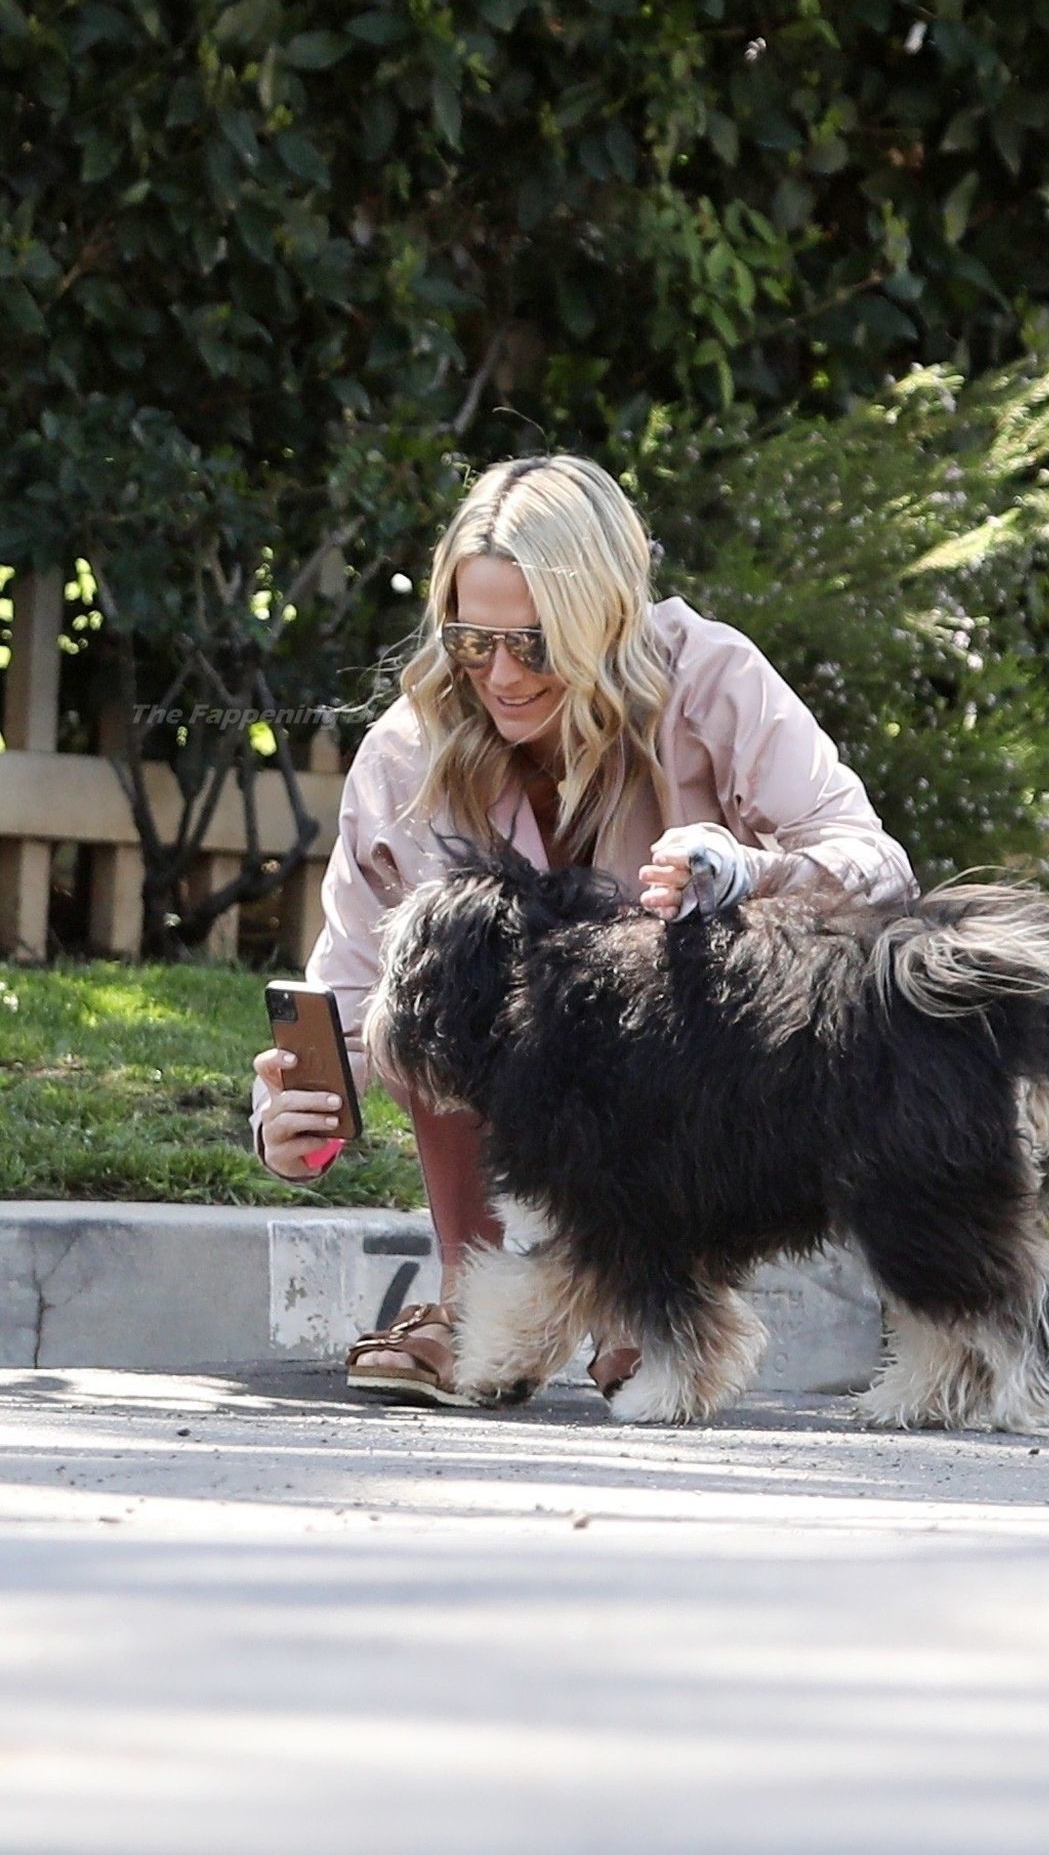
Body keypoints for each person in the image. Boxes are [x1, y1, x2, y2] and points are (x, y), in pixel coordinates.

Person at [251, 453, 916, 1405]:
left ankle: (651, 1291)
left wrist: (748, 870)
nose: (501, 676)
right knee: (439, 987)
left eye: (535, 644)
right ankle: (469, 1295)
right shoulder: (407, 750)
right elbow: (353, 996)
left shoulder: (710, 677)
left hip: (694, 1072)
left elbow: (875, 862)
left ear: (604, 619)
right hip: (533, 1076)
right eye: (473, 641)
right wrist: (291, 1116)